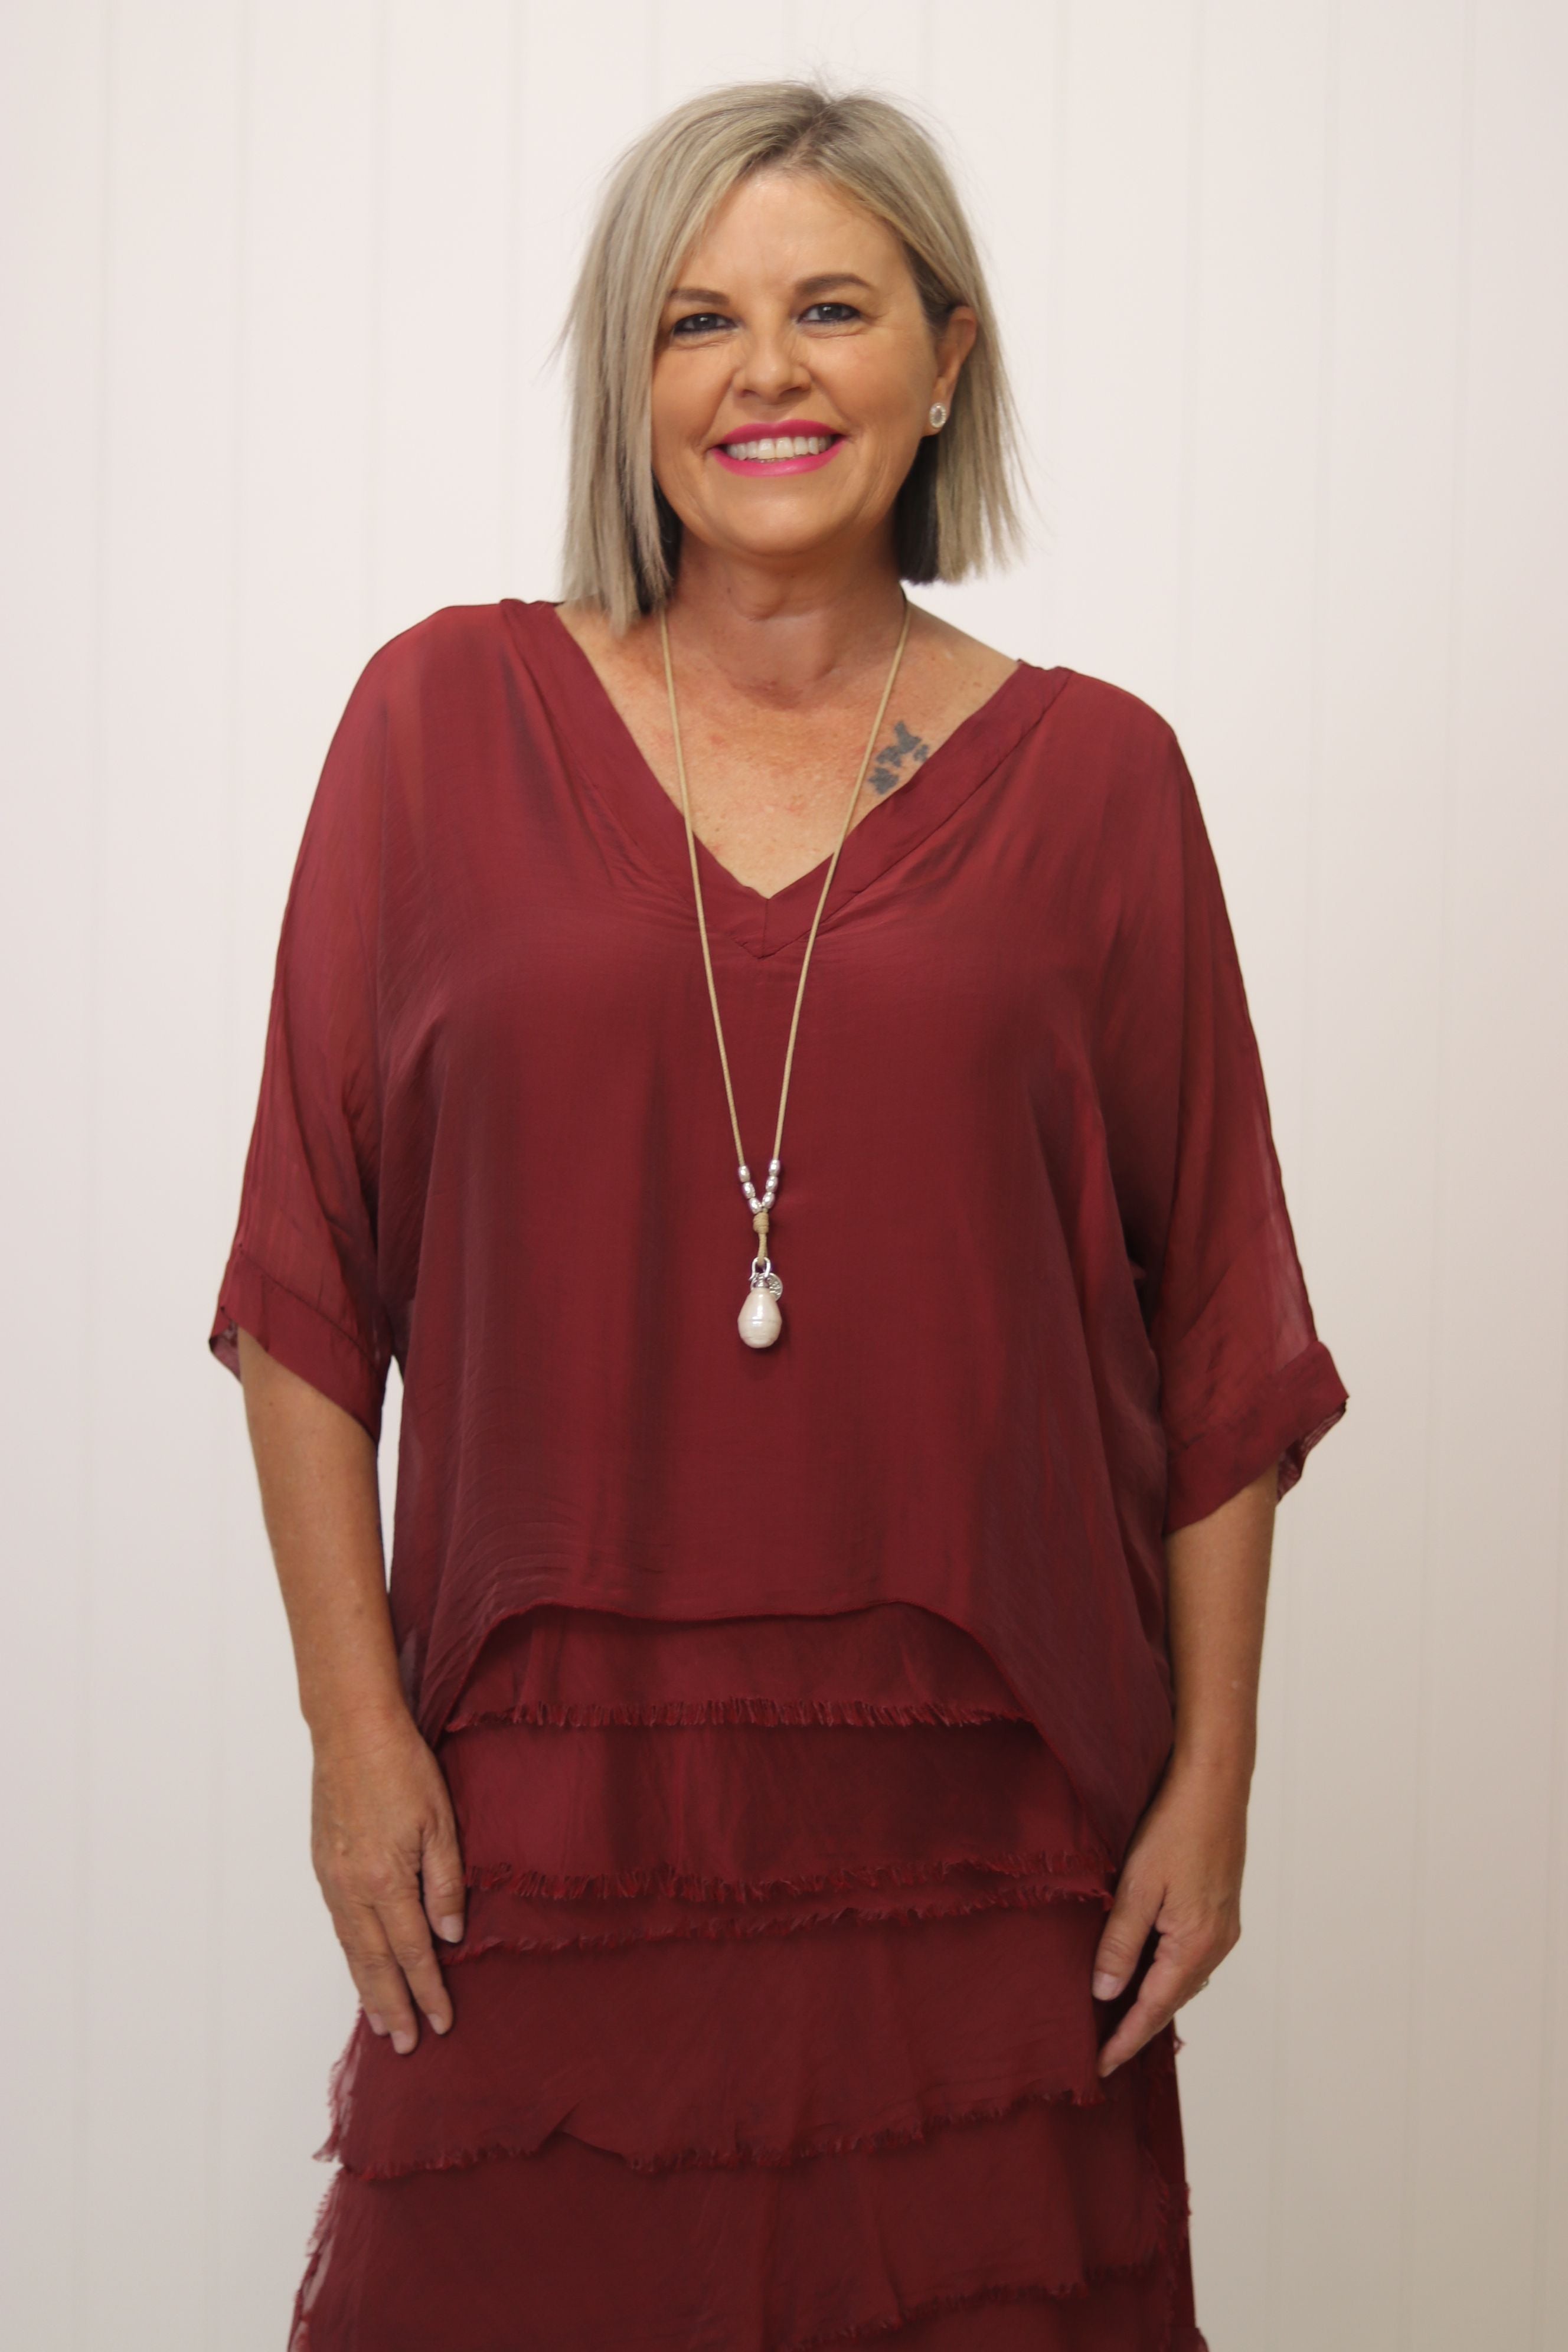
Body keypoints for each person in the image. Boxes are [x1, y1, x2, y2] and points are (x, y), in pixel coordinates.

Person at [212, 78, 1347, 2352]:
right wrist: (352, 1736)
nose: (766, 374)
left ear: (946, 361)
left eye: (833, 308)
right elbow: (302, 1281)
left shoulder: (1105, 782)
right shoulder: (437, 724)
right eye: (696, 319)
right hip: (541, 1816)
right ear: (630, 380)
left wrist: (1217, 1780)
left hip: (990, 1828)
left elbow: (1223, 1327)